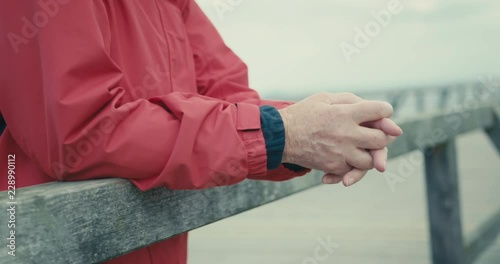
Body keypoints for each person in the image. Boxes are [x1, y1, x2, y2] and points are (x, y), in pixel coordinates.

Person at [0, 0, 402, 263]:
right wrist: (285, 134)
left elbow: (230, 101)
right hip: (41, 244)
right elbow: (79, 132)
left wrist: (324, 130)